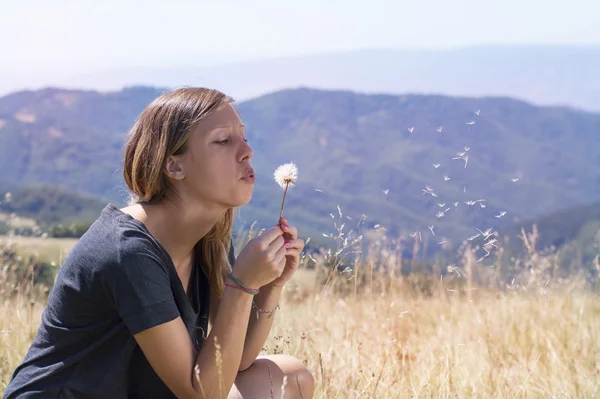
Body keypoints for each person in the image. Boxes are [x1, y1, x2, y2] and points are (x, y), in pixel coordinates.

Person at [3, 87, 314, 399]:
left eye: (244, 137)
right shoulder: (127, 251)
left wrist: (269, 287)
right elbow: (201, 392)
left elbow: (236, 361)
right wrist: (242, 285)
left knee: (290, 378)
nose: (247, 151)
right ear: (174, 166)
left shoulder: (210, 241)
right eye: (223, 140)